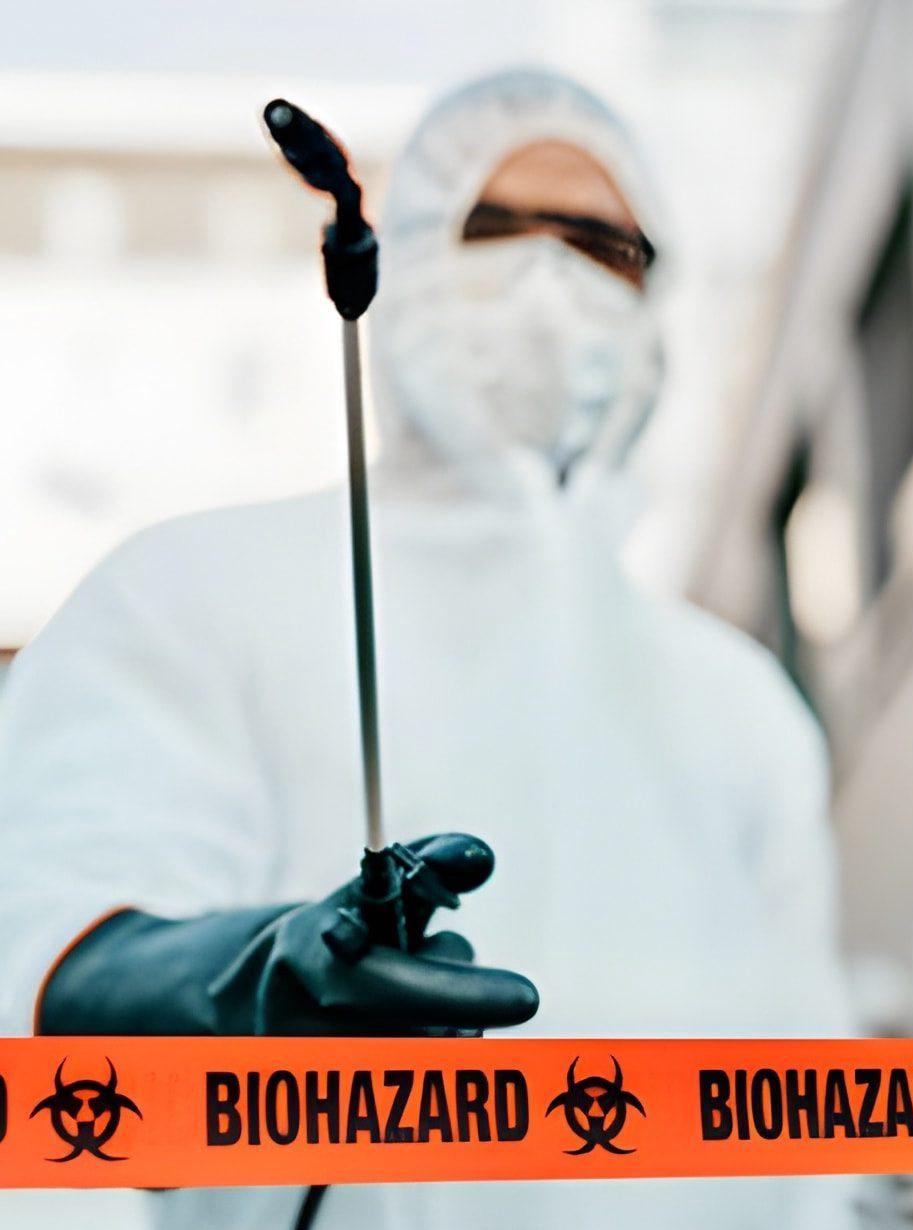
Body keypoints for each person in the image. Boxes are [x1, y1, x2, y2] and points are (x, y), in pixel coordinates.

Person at [0, 68, 857, 1229]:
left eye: (603, 245)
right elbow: (49, 951)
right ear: (400, 260)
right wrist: (234, 988)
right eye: (495, 227)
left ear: (659, 301)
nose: (551, 278)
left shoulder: (744, 709)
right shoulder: (188, 593)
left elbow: (808, 1121)